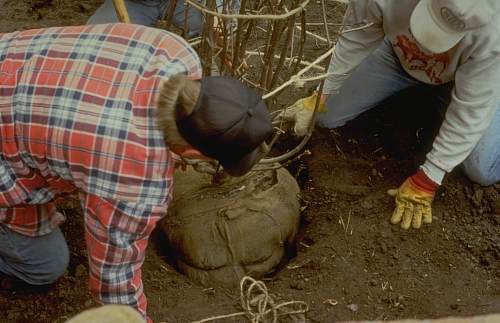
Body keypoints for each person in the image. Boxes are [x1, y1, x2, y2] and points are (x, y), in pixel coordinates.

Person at [0, 23, 272, 321]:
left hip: (12, 66)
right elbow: (114, 284)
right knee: (45, 266)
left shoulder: (174, 51)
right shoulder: (133, 181)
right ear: (192, 153)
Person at [281, 0, 500, 230]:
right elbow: (356, 37)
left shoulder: (493, 35)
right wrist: (321, 94)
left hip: (468, 78)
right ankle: (419, 94)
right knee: (326, 116)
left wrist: (428, 178)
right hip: (397, 55)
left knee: (482, 169)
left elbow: (471, 109)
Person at [87, 0, 241, 37]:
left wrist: (219, 8)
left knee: (221, 27)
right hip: (134, 2)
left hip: (187, 1)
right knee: (97, 36)